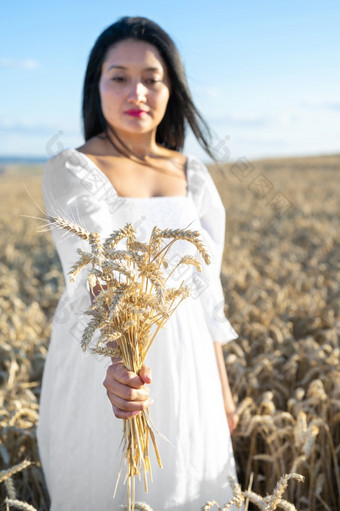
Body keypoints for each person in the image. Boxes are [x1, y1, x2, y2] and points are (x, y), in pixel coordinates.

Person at [37, 16, 240, 511]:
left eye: (152, 78)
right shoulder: (73, 168)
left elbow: (206, 295)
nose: (138, 92)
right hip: (105, 371)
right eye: (119, 76)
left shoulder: (193, 175)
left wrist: (223, 389)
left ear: (172, 88)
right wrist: (117, 365)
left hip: (189, 369)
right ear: (96, 85)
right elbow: (97, 274)